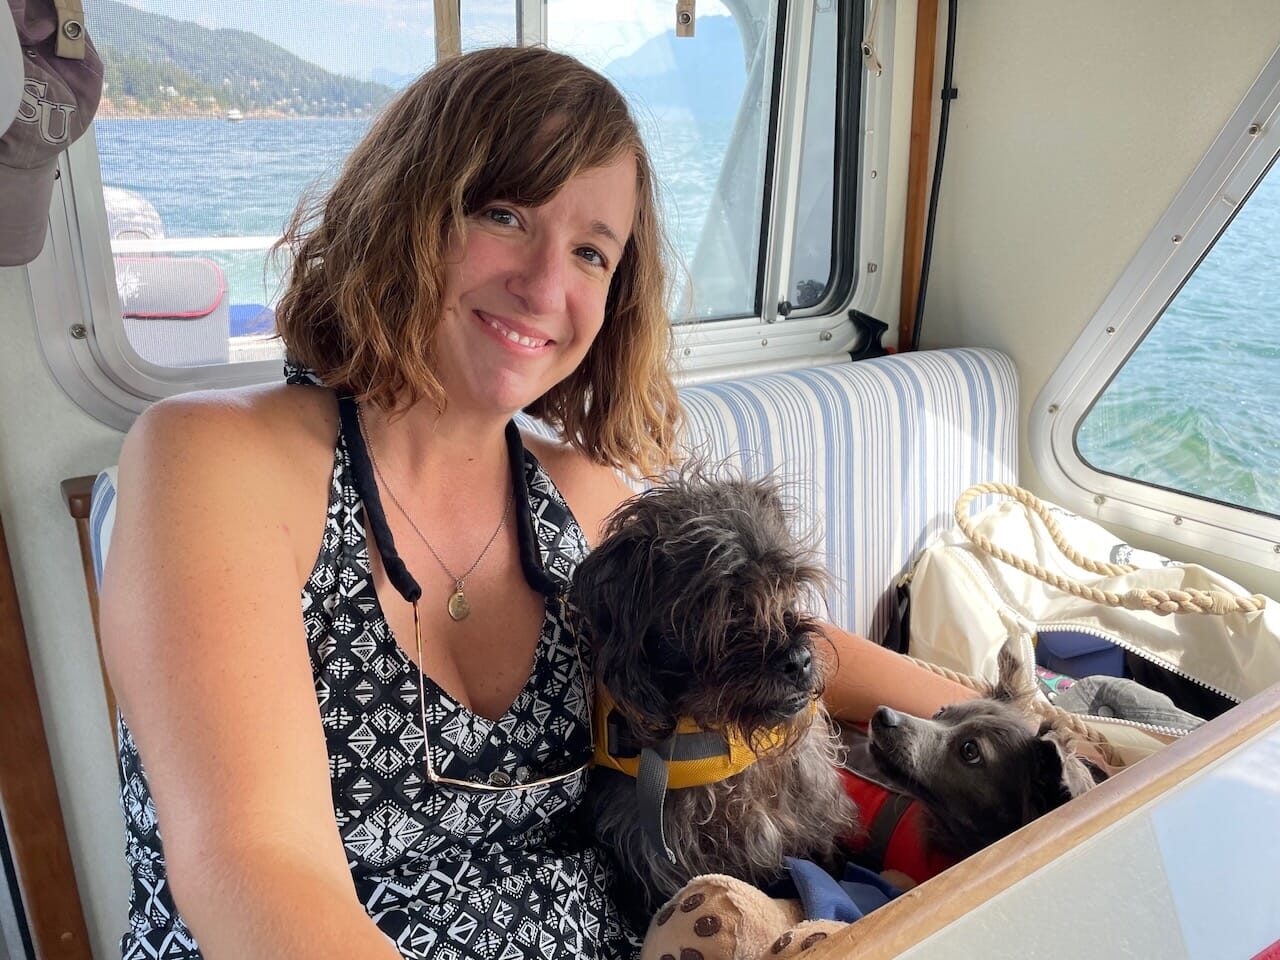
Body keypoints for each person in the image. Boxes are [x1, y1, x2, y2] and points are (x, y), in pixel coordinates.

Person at [100, 45, 973, 960]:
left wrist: (1031, 720)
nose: (548, 284)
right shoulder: (211, 459)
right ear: (404, 211)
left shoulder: (578, 494)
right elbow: (260, 870)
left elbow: (793, 639)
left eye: (592, 252)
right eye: (505, 213)